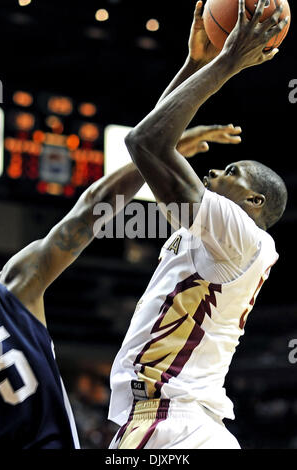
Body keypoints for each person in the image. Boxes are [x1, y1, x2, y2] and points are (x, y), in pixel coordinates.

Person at [0, 64, 238, 451]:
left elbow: (94, 205)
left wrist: (161, 142)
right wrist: (160, 147)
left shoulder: (15, 287)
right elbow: (94, 207)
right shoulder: (16, 285)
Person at [108, 0, 288, 449]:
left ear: (254, 200)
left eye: (230, 172)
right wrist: (195, 65)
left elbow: (145, 141)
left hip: (171, 423)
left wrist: (227, 64)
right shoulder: (213, 236)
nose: (212, 173)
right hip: (185, 424)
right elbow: (149, 143)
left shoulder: (242, 234)